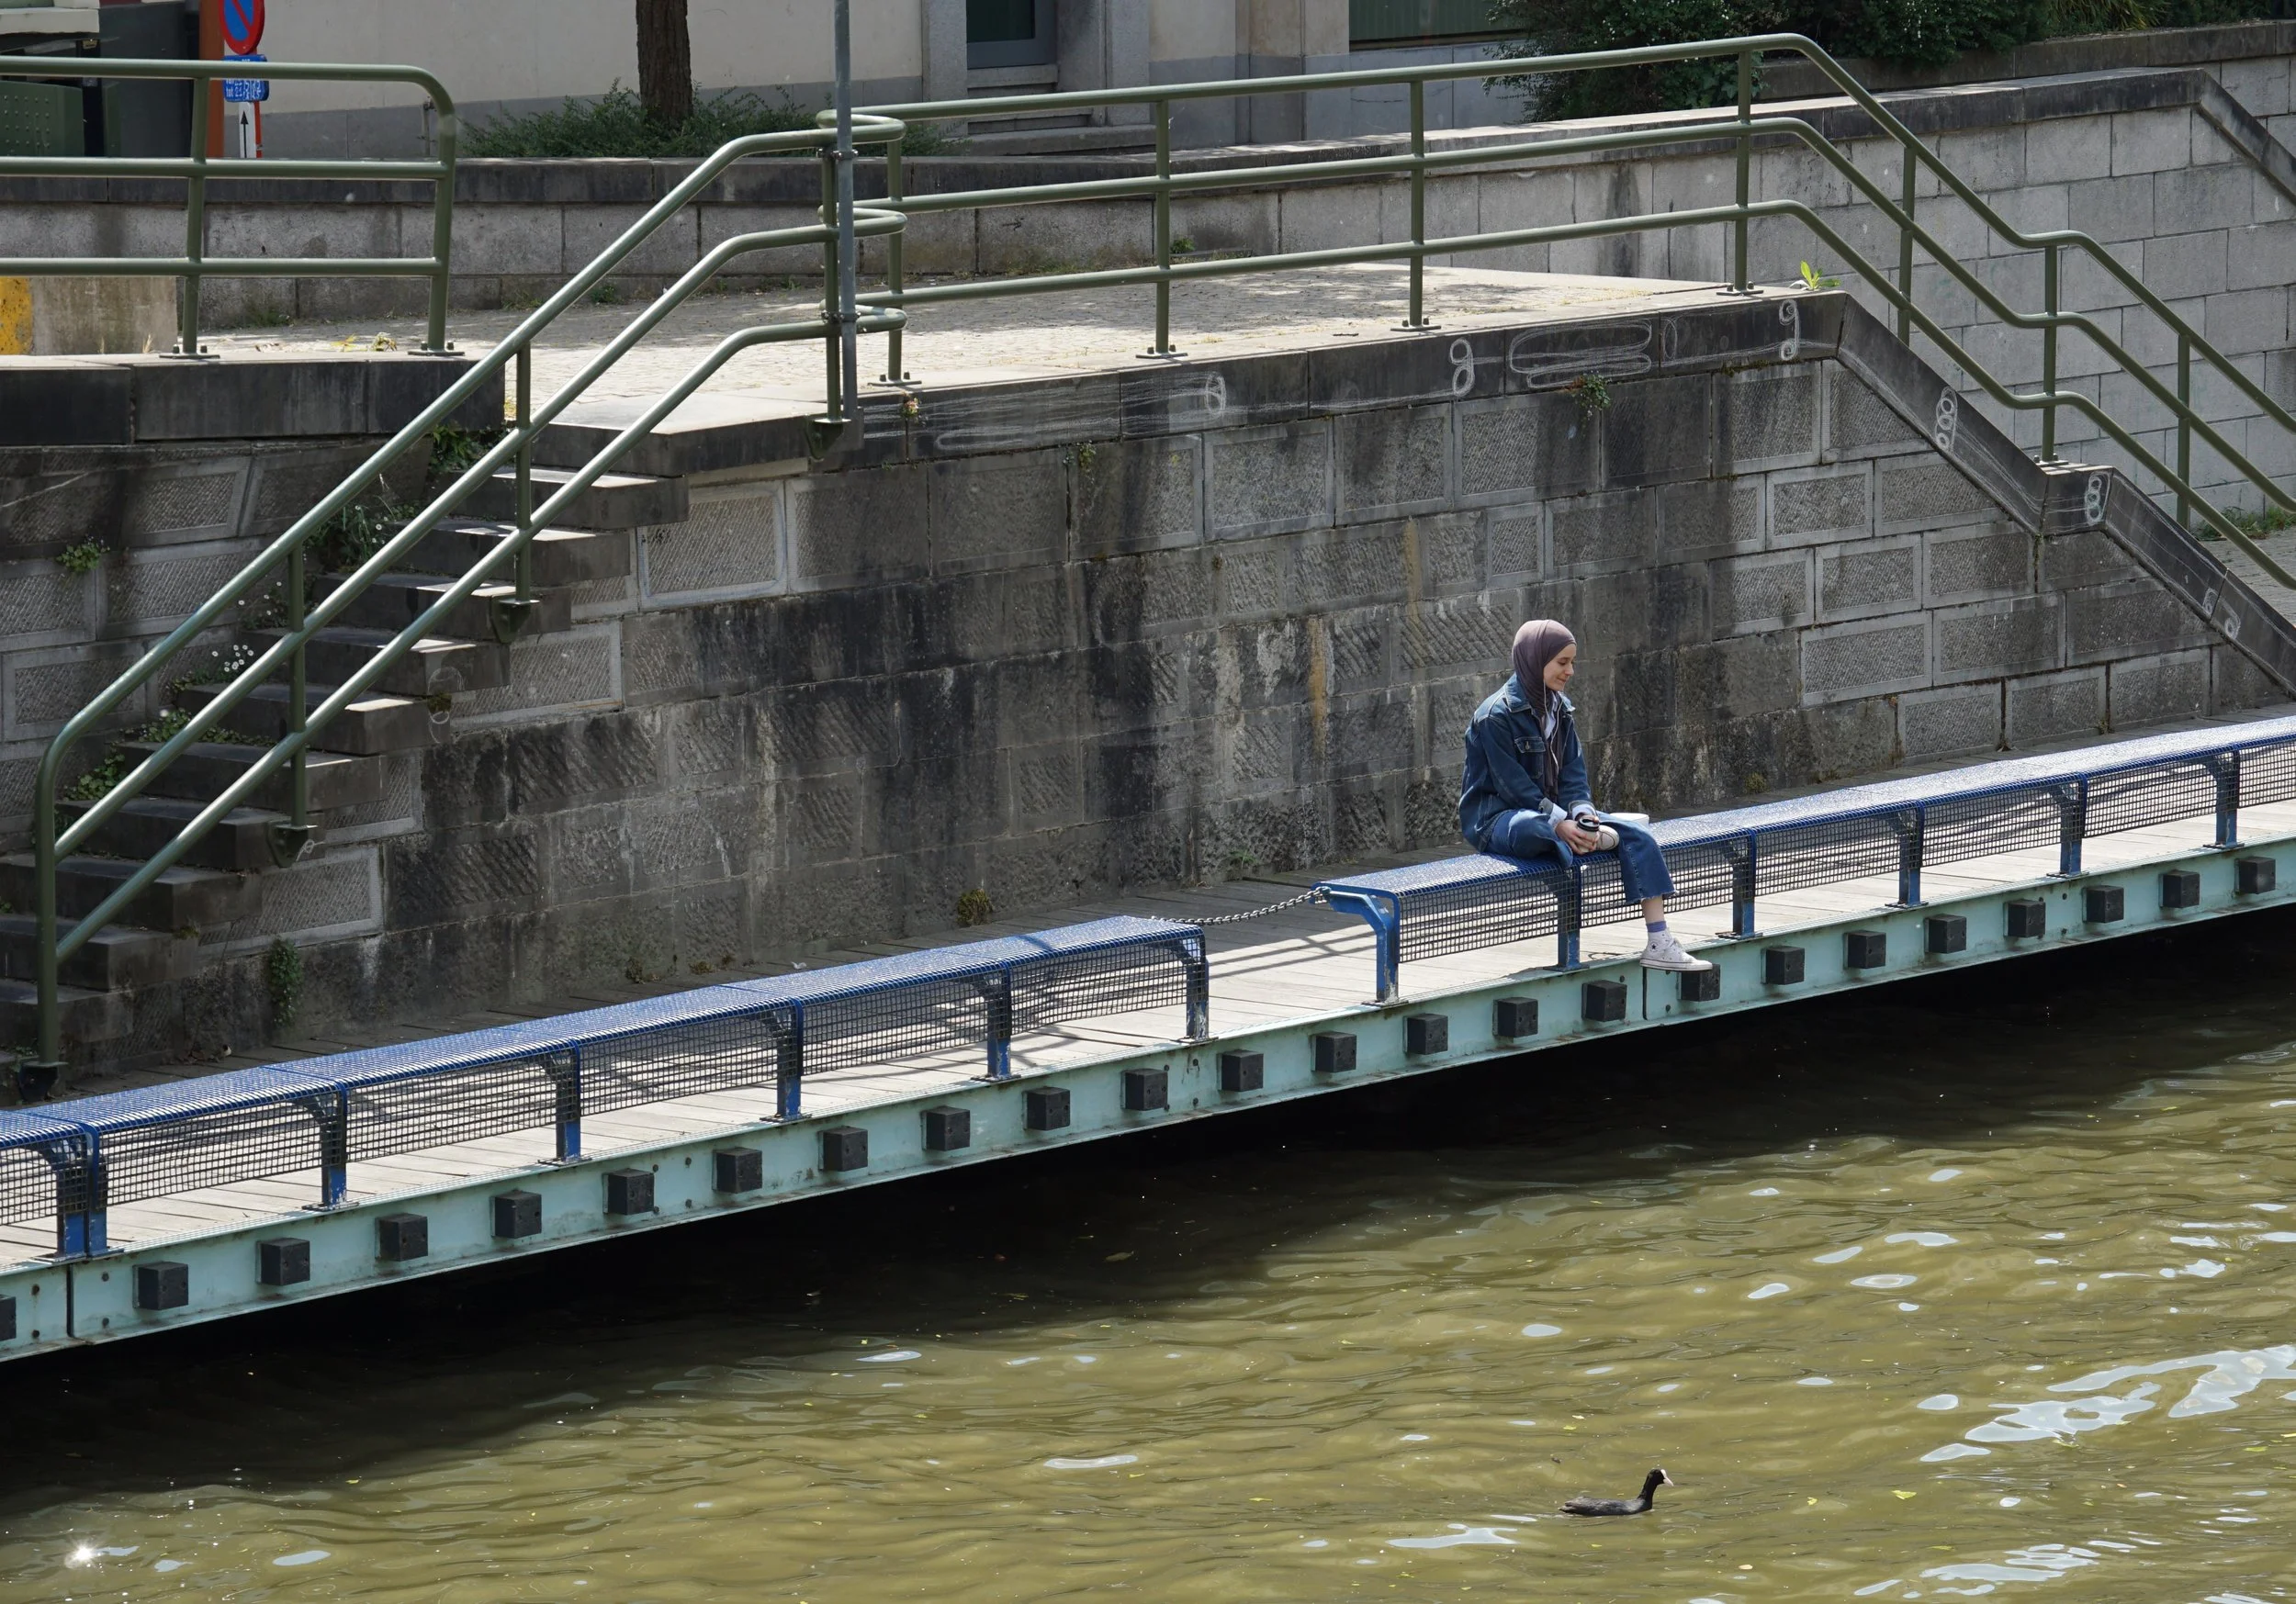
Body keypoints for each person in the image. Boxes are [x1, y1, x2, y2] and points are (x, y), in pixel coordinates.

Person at [1458, 619, 1713, 972]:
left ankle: (1659, 940)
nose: (1570, 671)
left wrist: (1583, 813)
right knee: (1536, 829)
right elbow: (1513, 789)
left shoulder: (1561, 709)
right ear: (1535, 659)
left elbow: (1574, 775)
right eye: (1562, 662)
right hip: (1500, 818)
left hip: (1556, 815)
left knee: (1638, 834)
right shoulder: (1494, 716)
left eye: (1572, 662)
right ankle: (1590, 840)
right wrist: (1561, 822)